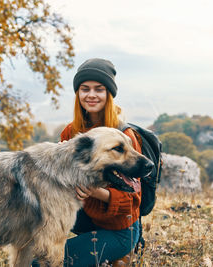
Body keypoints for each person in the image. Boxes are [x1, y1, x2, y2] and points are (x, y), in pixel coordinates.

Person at [33, 58, 142, 267]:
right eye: (85, 89)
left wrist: (95, 192)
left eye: (99, 89)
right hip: (84, 223)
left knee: (41, 265)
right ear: (78, 94)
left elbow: (132, 202)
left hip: (119, 230)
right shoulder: (71, 133)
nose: (91, 95)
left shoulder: (124, 136)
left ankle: (122, 251)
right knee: (34, 256)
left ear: (109, 94)